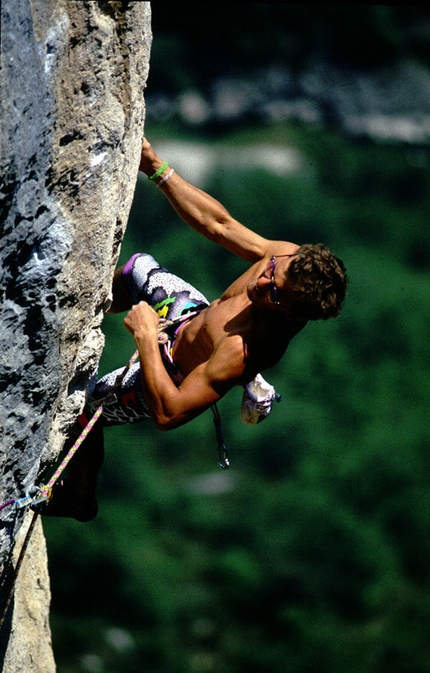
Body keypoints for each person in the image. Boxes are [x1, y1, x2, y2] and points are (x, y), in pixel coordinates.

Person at [38, 138, 348, 521]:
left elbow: (170, 413)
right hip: (192, 316)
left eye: (275, 295)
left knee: (83, 409)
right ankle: (74, 315)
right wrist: (156, 167)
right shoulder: (286, 258)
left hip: (168, 371)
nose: (262, 284)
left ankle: (80, 499)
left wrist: (148, 338)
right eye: (271, 273)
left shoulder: (242, 351)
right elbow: (219, 225)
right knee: (137, 267)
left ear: (293, 315)